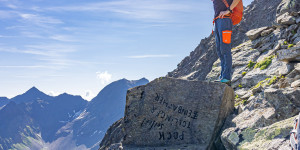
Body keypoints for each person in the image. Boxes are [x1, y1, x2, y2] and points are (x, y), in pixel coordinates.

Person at [212, 0, 241, 85]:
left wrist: (228, 10)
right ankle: (223, 76)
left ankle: (226, 77)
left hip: (225, 20)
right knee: (220, 50)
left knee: (225, 49)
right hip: (218, 21)